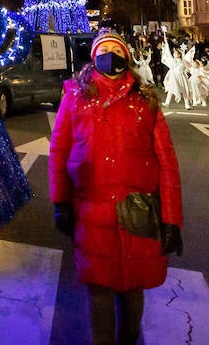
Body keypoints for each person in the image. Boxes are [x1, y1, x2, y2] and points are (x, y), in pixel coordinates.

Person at [50, 31, 184, 345]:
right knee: (99, 290)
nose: (110, 53)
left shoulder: (144, 99)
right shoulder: (75, 95)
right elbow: (59, 150)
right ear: (93, 56)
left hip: (138, 210)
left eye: (115, 49)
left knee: (133, 289)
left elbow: (167, 162)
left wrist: (171, 220)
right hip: (91, 210)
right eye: (104, 49)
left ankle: (130, 337)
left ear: (127, 56)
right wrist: (61, 202)